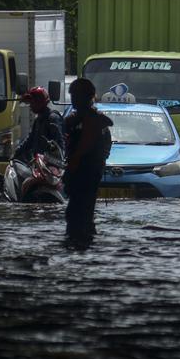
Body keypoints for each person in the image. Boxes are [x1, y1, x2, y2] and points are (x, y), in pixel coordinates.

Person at [64, 78, 114, 242]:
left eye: (76, 96)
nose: (73, 100)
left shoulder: (94, 121)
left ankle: (82, 240)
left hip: (86, 173)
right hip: (84, 173)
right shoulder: (75, 120)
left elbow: (91, 147)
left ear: (87, 97)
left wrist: (78, 164)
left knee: (79, 213)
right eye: (72, 96)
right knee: (78, 213)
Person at [13, 86, 65, 163]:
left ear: (39, 102)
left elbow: (59, 146)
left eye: (32, 102)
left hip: (50, 167)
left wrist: (49, 161)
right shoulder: (38, 120)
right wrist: (16, 153)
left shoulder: (52, 118)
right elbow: (29, 140)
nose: (30, 106)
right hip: (39, 164)